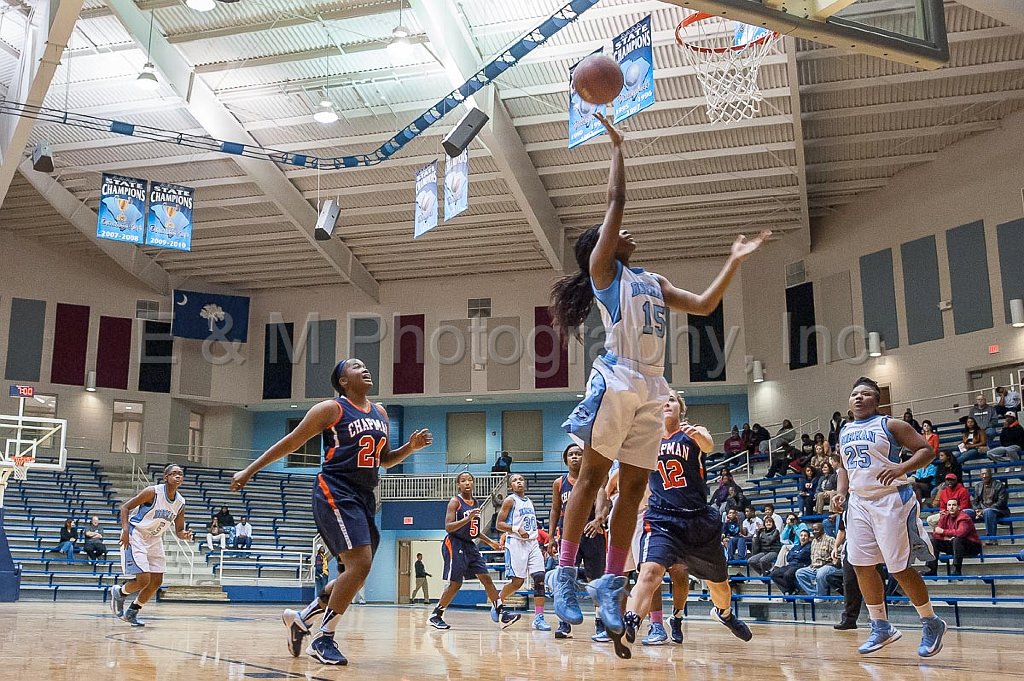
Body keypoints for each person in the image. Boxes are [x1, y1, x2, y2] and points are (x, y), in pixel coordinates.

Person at [548, 111, 768, 639]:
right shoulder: (606, 273)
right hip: (618, 377)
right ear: (598, 247)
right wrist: (618, 148)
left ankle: (608, 580)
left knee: (631, 488)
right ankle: (563, 569)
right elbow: (614, 204)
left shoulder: (652, 278)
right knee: (591, 477)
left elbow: (705, 301)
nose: (623, 230)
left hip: (652, 384)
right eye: (610, 232)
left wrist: (734, 261)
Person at [231, 358, 432, 665]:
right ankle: (323, 638)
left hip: (365, 496)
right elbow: (291, 442)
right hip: (335, 489)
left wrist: (410, 448)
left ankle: (301, 619)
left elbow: (386, 460)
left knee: (355, 574)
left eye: (365, 364)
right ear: (342, 381)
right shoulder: (331, 409)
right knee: (360, 564)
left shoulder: (379, 412)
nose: (364, 368)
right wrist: (250, 470)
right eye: (355, 366)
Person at [617, 391, 751, 659]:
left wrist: (698, 435)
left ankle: (723, 613)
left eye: (672, 399)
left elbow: (709, 444)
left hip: (698, 520)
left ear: (681, 408)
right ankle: (632, 620)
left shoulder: (692, 433)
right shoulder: (646, 440)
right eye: (661, 400)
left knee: (720, 586)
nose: (666, 403)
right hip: (662, 520)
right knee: (649, 572)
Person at [834, 376, 946, 658]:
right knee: (860, 564)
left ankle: (931, 622)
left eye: (866, 394)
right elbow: (844, 467)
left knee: (898, 568)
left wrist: (901, 468)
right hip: (859, 502)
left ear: (878, 399)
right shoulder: (845, 429)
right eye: (854, 394)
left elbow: (927, 451)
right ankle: (881, 626)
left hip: (891, 500)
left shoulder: (891, 425)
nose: (859, 398)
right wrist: (840, 493)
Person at [429, 472, 517, 630]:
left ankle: (501, 612)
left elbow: (474, 531)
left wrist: (491, 542)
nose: (467, 483)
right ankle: (436, 615)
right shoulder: (455, 502)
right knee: (456, 583)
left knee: (486, 577)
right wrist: (466, 519)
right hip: (454, 543)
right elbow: (448, 527)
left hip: (469, 545)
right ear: (458, 485)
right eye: (463, 481)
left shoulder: (475, 502)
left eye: (470, 480)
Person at [109, 464, 192, 627]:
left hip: (154, 538)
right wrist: (125, 531)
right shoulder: (152, 492)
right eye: (173, 473)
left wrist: (185, 535)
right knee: (143, 579)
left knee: (156, 581)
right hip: (136, 534)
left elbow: (179, 530)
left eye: (180, 474)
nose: (177, 476)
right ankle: (119, 592)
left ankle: (132, 612)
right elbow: (125, 507)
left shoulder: (180, 502)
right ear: (166, 477)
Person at [548, 444, 609, 641]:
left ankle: (600, 624)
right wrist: (550, 537)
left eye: (579, 454)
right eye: (571, 454)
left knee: (595, 580)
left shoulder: (594, 478)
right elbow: (555, 511)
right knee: (566, 578)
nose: (575, 457)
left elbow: (604, 500)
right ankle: (564, 623)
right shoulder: (559, 483)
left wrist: (598, 518)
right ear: (566, 460)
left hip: (592, 532)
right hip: (568, 536)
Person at [496, 474, 549, 631]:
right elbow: (499, 524)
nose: (518, 482)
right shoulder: (510, 500)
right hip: (516, 544)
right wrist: (515, 529)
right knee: (517, 583)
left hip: (532, 543)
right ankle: (497, 602)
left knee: (539, 578)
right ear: (511, 485)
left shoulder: (529, 501)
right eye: (514, 480)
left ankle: (539, 618)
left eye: (520, 480)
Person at [925, 499, 982, 576]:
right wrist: (946, 538)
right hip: (954, 544)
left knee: (957, 540)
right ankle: (931, 570)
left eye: (954, 505)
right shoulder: (944, 517)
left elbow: (960, 533)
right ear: (947, 508)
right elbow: (936, 534)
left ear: (959, 507)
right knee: (933, 541)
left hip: (972, 546)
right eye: (949, 505)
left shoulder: (964, 518)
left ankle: (957, 569)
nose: (951, 507)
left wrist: (943, 532)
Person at [795, 523, 840, 597]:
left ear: (822, 530)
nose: (814, 531)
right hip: (814, 567)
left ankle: (822, 596)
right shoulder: (814, 541)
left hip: (827, 566)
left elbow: (839, 551)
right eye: (813, 530)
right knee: (799, 573)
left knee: (820, 574)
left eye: (816, 530)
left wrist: (835, 560)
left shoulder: (830, 539)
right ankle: (815, 594)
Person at [973, 468, 1009, 544]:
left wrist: (983, 511)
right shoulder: (978, 486)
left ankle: (991, 539)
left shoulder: (999, 486)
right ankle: (968, 539)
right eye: (982, 474)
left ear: (991, 474)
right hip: (982, 510)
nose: (984, 476)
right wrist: (977, 509)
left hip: (998, 510)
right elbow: (975, 502)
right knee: (966, 512)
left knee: (988, 511)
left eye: (986, 473)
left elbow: (1002, 502)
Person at [770, 529, 811, 594]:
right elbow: (789, 557)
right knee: (773, 574)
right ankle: (792, 589)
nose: (803, 537)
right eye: (801, 535)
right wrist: (796, 555)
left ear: (808, 538)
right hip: (791, 565)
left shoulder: (809, 547)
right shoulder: (796, 546)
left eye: (805, 536)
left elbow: (802, 557)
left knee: (787, 574)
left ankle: (790, 591)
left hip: (801, 565)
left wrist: (795, 555)